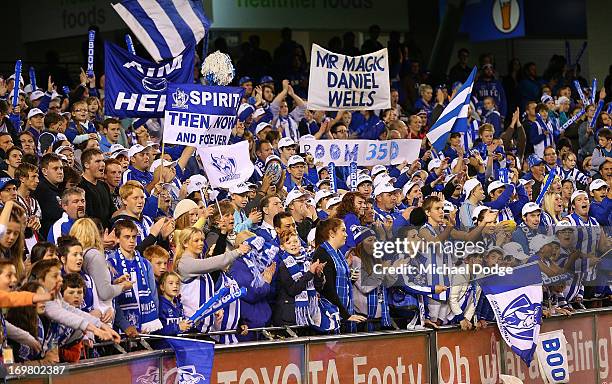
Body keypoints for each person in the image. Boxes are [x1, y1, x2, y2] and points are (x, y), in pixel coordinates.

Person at [107, 220, 162, 336]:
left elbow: (153, 294)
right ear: (117, 239)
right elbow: (111, 298)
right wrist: (124, 324)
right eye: (127, 237)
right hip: (121, 326)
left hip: (146, 324)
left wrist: (153, 317)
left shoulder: (145, 263)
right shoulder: (111, 263)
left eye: (134, 237)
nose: (131, 241)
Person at [313, 218, 366, 333]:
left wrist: (349, 280)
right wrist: (346, 314)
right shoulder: (322, 254)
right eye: (343, 230)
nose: (346, 235)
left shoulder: (338, 253)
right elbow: (328, 290)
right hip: (330, 314)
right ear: (331, 233)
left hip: (340, 312)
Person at [273, 230, 324, 329]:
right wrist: (310, 273)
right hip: (289, 316)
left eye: (295, 241)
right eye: (288, 243)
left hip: (308, 313)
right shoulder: (283, 265)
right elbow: (293, 290)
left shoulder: (308, 261)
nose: (293, 245)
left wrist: (318, 274)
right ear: (282, 247)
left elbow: (318, 287)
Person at [79, 148, 115, 229]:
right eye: (98, 161)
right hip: (91, 234)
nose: (102, 164)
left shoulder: (104, 186)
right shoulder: (79, 187)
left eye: (103, 161)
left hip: (107, 235)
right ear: (86, 165)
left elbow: (112, 213)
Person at [33, 153, 64, 239]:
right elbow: (56, 215)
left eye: (61, 168)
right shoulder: (42, 190)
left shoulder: (59, 189)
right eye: (55, 168)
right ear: (44, 171)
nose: (60, 172)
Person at [156, 271, 192, 336]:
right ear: (162, 287)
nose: (175, 286)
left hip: (178, 343)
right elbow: (157, 330)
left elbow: (182, 325)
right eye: (171, 283)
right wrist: (178, 327)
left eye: (177, 283)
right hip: (164, 344)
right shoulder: (159, 305)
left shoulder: (179, 304)